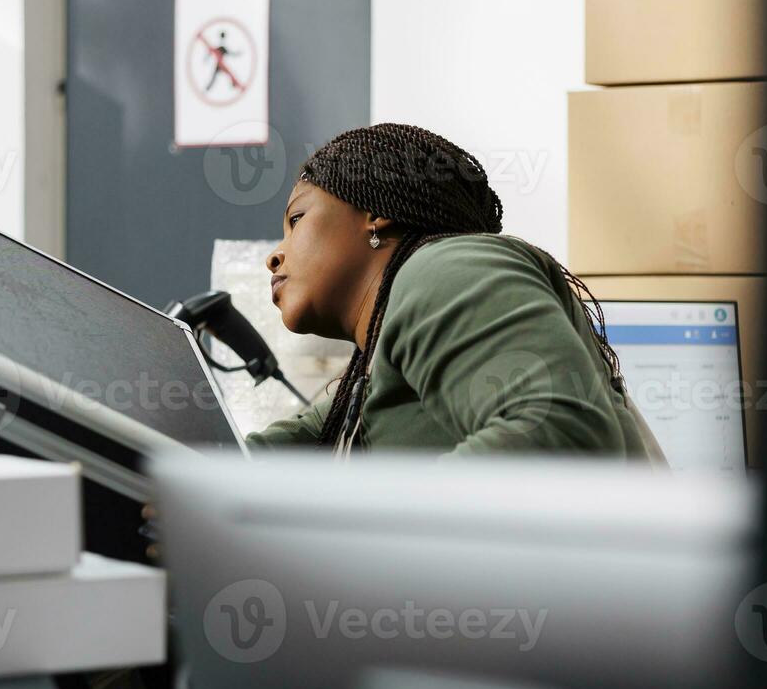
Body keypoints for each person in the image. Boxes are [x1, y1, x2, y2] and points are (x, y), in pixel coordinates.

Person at [246, 123, 664, 461]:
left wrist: (373, 535)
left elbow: (561, 436)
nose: (275, 256)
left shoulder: (442, 270)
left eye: (296, 220)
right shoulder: (373, 368)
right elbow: (270, 456)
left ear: (376, 215)